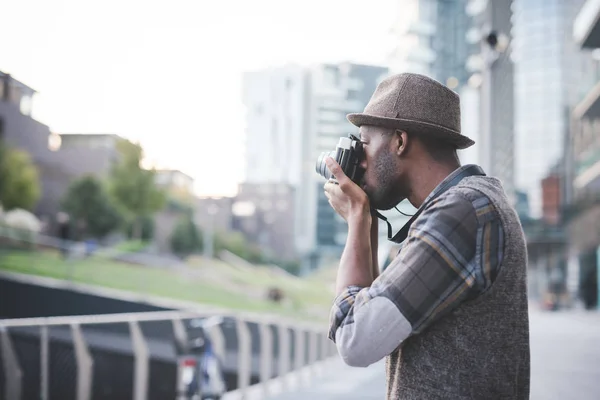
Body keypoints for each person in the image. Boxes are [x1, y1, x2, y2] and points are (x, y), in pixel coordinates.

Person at [323, 73, 530, 399]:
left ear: (400, 141)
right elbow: (377, 320)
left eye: (364, 144)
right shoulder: (467, 207)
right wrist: (363, 223)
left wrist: (355, 218)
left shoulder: (462, 213)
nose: (359, 162)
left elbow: (355, 338)